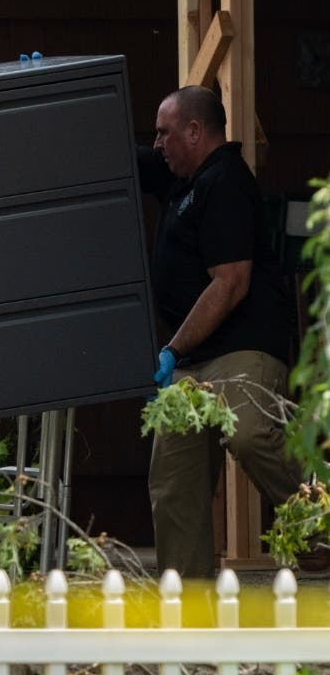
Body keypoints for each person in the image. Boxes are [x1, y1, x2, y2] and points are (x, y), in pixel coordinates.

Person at [139, 85, 303, 579]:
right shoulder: (179, 182)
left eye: (165, 133)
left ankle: (320, 520)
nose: (158, 143)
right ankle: (186, 607)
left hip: (241, 345)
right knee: (173, 474)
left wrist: (172, 347)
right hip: (192, 358)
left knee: (250, 432)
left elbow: (230, 283)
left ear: (195, 131)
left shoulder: (225, 179)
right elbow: (122, 154)